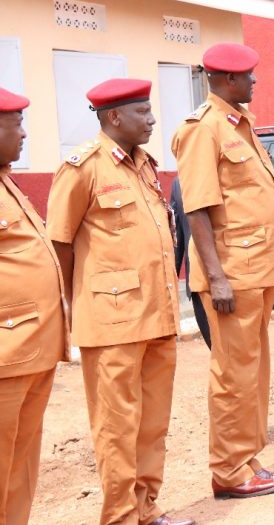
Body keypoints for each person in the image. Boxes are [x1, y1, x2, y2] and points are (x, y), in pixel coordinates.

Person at [47, 79, 193, 525]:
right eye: (142, 112)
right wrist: (71, 302)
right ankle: (120, 516)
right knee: (117, 427)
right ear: (114, 117)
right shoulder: (83, 168)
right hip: (112, 321)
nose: (152, 120)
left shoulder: (144, 165)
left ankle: (146, 508)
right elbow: (61, 243)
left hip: (157, 313)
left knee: (152, 423)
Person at [171, 42, 274, 499]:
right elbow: (198, 208)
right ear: (227, 79)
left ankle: (247, 457)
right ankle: (228, 469)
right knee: (232, 375)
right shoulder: (203, 130)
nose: (254, 81)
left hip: (256, 269)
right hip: (232, 273)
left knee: (252, 371)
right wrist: (216, 276)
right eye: (248, 75)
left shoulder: (239, 124)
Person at [0, 87, 69, 525]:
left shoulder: (7, 182)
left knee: (20, 467)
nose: (24, 134)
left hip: (30, 350)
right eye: (15, 125)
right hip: (6, 354)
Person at [171, 178, 211, 348]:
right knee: (217, 352)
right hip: (198, 286)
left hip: (236, 283)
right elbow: (177, 237)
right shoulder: (179, 183)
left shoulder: (229, 172)